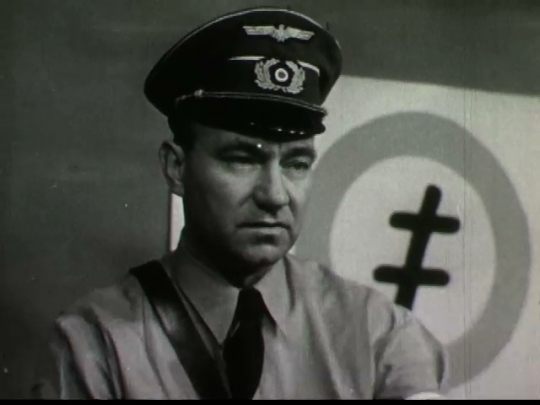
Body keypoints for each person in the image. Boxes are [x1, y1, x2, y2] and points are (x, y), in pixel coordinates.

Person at [41, 6, 448, 400]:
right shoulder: (97, 344)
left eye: (296, 163)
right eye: (242, 159)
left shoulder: (376, 333)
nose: (274, 195)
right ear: (176, 167)